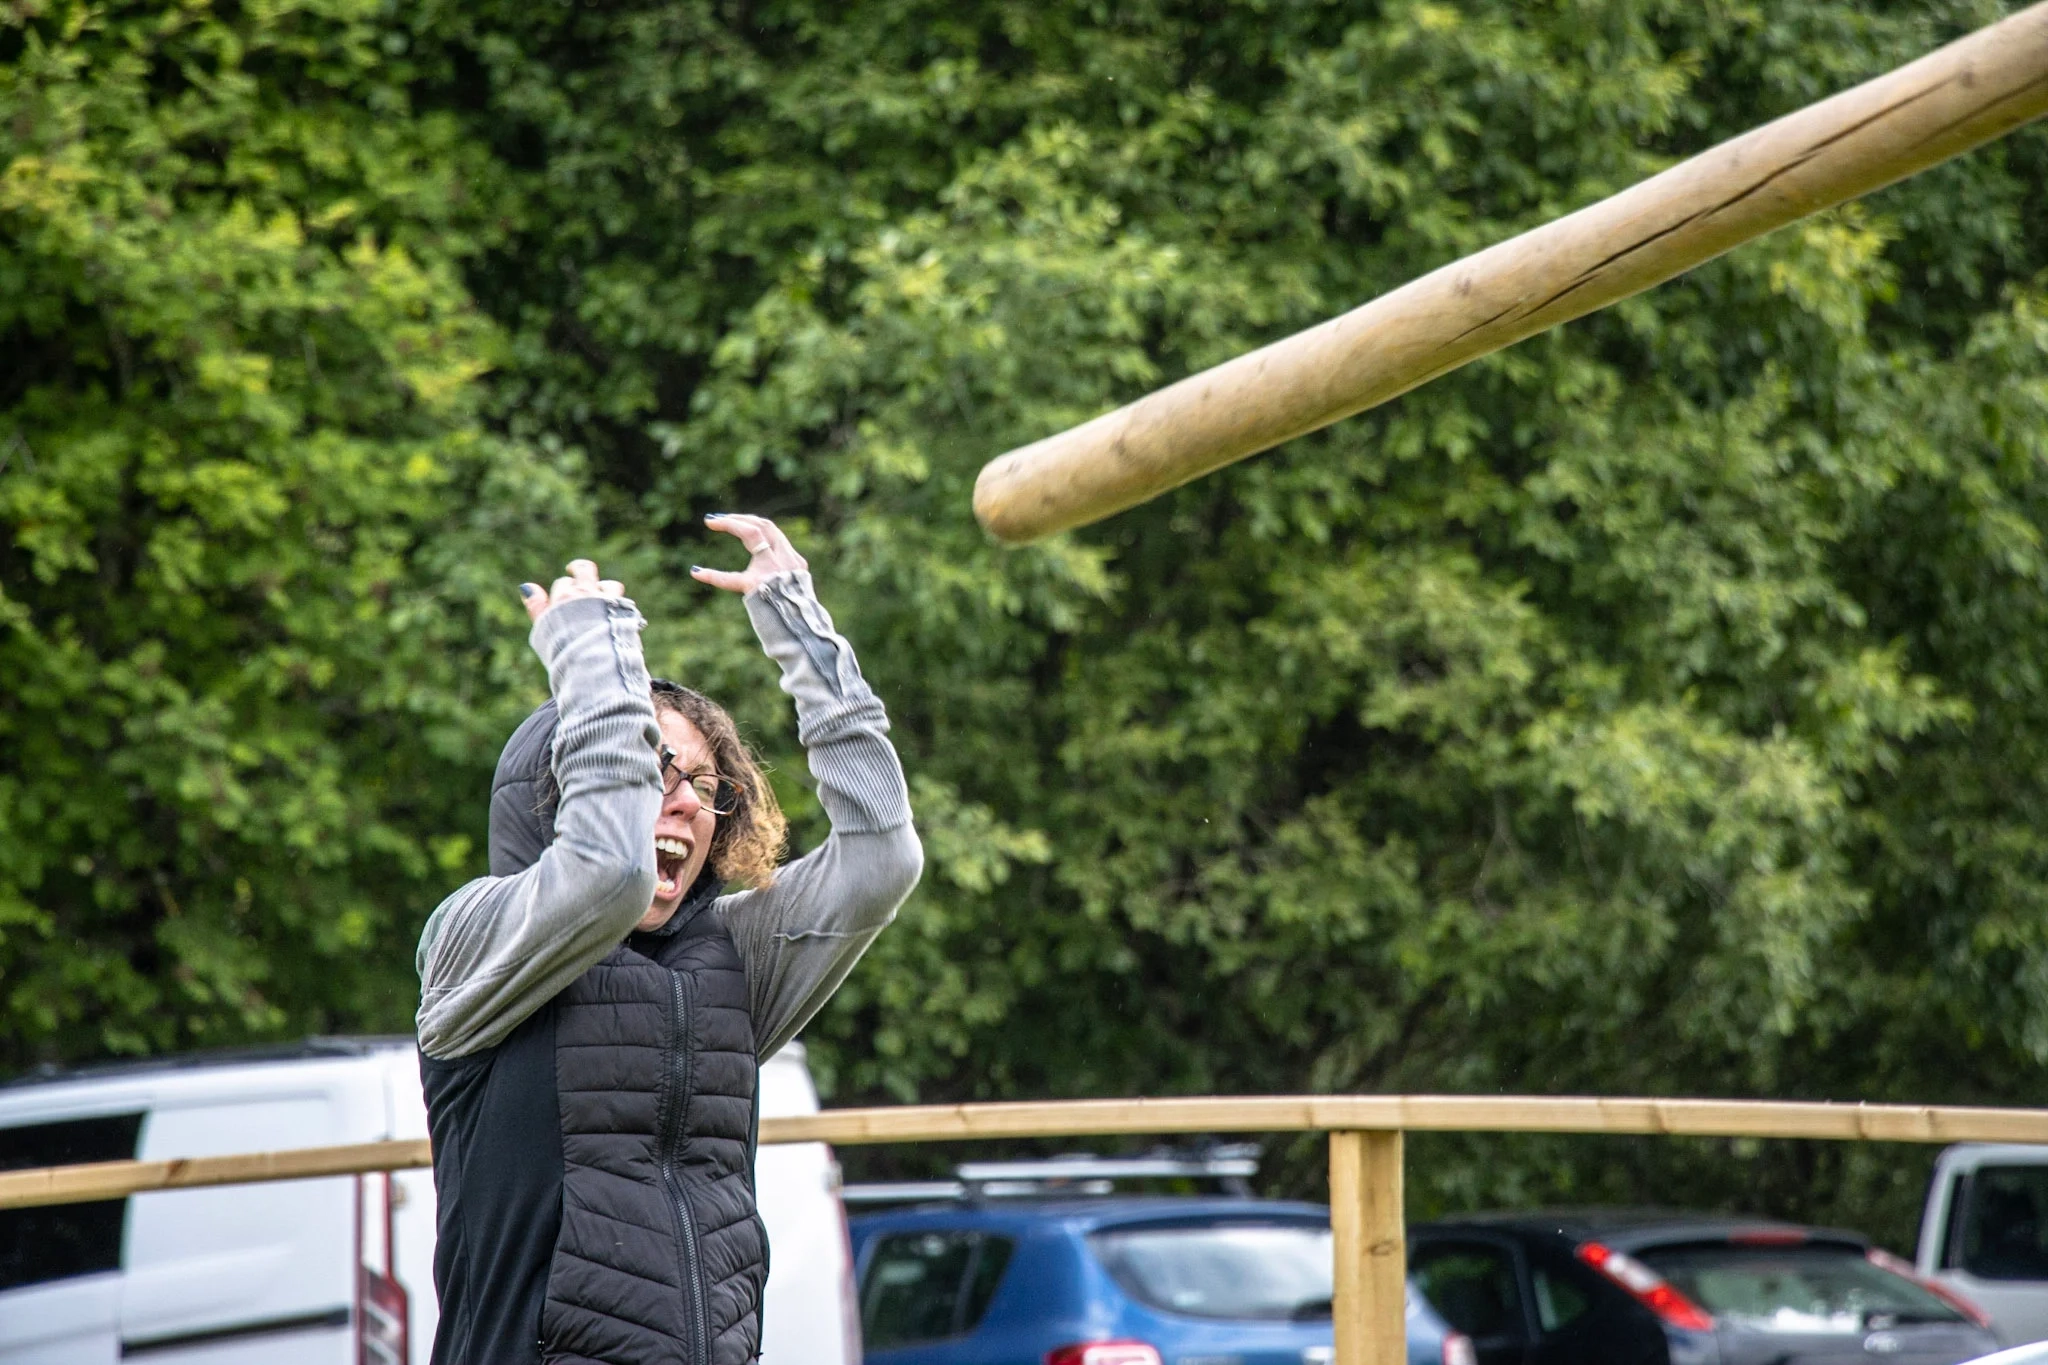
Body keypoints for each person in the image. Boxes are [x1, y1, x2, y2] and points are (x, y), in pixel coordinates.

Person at [413, 514, 923, 1365]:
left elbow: (882, 855)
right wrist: (590, 654)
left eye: (705, 784)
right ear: (560, 782)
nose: (685, 801)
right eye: (652, 766)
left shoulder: (730, 957)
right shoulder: (472, 939)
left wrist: (801, 628)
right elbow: (603, 875)